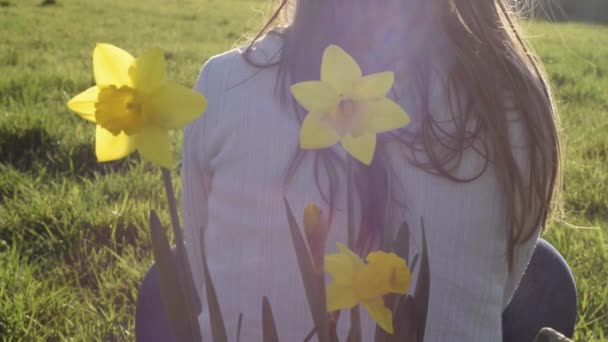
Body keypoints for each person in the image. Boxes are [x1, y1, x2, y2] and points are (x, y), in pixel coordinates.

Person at [137, 0, 577, 340]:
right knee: (545, 274)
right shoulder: (515, 98)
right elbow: (504, 284)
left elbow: (200, 270)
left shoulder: (225, 82)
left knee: (168, 280)